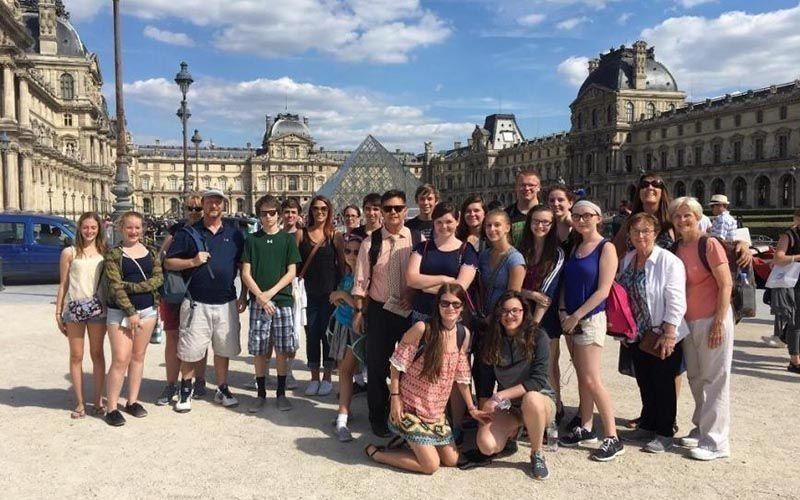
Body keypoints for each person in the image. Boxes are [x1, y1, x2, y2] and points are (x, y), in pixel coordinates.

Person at [364, 284, 490, 474]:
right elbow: (397, 365)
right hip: (410, 407)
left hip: (435, 411)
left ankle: (409, 442)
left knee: (451, 459)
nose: (450, 309)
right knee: (430, 465)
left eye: (456, 304)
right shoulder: (423, 329)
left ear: (463, 307)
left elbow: (462, 376)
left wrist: (472, 408)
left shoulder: (463, 334)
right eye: (445, 303)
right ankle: (378, 454)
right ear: (438, 305)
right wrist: (395, 398)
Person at [165, 188, 247, 413]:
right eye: (209, 202)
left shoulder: (235, 234)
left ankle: (222, 387)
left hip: (227, 300)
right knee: (190, 350)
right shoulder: (189, 232)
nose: (214, 206)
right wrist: (192, 261)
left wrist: (243, 296)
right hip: (196, 301)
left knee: (223, 348)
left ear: (224, 205)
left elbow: (243, 267)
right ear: (203, 204)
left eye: (218, 202)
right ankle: (185, 389)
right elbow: (169, 263)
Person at [557, 200, 623, 461]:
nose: (581, 220)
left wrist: (576, 315)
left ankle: (612, 436)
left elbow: (603, 291)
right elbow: (566, 284)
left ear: (598, 218)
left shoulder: (606, 248)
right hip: (571, 319)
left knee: (592, 379)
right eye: (577, 216)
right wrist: (563, 310)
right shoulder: (575, 247)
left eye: (587, 215)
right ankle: (585, 426)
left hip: (590, 319)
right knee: (584, 377)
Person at [618, 213, 688, 453]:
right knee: (644, 381)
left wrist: (669, 332)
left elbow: (676, 299)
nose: (640, 236)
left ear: (656, 233)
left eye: (646, 231)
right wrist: (623, 331)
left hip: (662, 332)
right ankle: (647, 425)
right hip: (637, 333)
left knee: (663, 384)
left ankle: (665, 432)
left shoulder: (668, 261)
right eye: (635, 231)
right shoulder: (627, 259)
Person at [670, 196, 734, 461]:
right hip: (690, 322)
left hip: (712, 319)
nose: (682, 220)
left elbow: (726, 284)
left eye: (688, 215)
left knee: (715, 379)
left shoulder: (709, 244)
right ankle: (701, 428)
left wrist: (719, 321)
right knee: (696, 377)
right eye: (677, 216)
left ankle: (717, 442)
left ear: (698, 218)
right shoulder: (677, 248)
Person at [352, 189, 417, 437]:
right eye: (387, 208)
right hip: (380, 310)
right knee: (378, 366)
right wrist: (359, 311)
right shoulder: (371, 242)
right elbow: (361, 279)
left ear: (404, 209)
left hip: (408, 309)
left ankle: (408, 412)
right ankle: (377, 417)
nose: (392, 213)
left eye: (397, 208)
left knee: (411, 366)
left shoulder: (416, 238)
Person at [475, 291, 557, 480]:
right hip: (511, 407)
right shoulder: (491, 340)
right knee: (486, 445)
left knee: (532, 399)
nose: (510, 315)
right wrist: (483, 416)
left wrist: (498, 397)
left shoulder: (538, 336)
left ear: (523, 312)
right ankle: (512, 434)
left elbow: (536, 381)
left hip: (540, 402)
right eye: (504, 311)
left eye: (515, 310)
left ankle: (537, 453)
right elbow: (486, 385)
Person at [103, 211, 164, 426]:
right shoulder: (114, 254)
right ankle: (111, 408)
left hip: (148, 310)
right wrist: (131, 312)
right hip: (121, 313)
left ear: (143, 229)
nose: (133, 231)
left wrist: (134, 287)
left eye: (137, 227)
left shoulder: (151, 250)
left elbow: (158, 278)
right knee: (120, 359)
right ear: (121, 228)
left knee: (138, 356)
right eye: (129, 227)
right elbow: (115, 286)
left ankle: (132, 401)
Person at [242, 195, 301, 412]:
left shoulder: (287, 239)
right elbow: (245, 273)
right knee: (259, 349)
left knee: (282, 349)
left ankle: (281, 393)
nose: (268, 217)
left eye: (272, 213)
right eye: (263, 213)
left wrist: (270, 294)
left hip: (282, 301)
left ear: (278, 214)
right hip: (260, 302)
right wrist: (259, 296)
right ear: (259, 215)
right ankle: (260, 394)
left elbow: (292, 272)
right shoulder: (252, 240)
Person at [55, 212, 108, 419]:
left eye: (93, 227)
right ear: (80, 228)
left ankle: (97, 400)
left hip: (98, 308)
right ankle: (79, 403)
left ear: (99, 229)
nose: (89, 231)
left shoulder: (104, 251)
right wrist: (58, 312)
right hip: (74, 309)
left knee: (97, 354)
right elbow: (63, 284)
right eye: (85, 227)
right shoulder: (69, 252)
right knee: (76, 356)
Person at [155, 193, 207, 406]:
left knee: (200, 339)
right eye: (190, 208)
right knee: (173, 338)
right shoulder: (176, 231)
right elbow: (162, 260)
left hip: (197, 292)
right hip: (175, 291)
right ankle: (171, 384)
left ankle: (200, 380)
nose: (193, 212)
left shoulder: (207, 231)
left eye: (197, 209)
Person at [517, 205, 565, 422]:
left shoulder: (557, 253)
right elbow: (513, 286)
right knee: (524, 362)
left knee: (548, 363)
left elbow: (548, 293)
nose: (541, 225)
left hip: (544, 319)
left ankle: (555, 408)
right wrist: (529, 294)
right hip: (519, 315)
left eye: (546, 222)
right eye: (536, 221)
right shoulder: (521, 249)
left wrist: (533, 325)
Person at [296, 195, 344, 397]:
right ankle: (314, 377)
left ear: (329, 211)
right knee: (312, 335)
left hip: (329, 294)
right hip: (308, 294)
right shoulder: (301, 234)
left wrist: (340, 292)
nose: (320, 212)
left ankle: (327, 377)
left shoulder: (335, 236)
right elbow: (296, 266)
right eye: (316, 208)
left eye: (324, 209)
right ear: (311, 211)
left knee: (328, 336)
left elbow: (341, 266)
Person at [406, 202, 479, 323]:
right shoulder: (423, 248)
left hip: (452, 319)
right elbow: (411, 279)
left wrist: (424, 287)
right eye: (439, 222)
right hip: (422, 317)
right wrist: (444, 280)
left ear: (457, 220)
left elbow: (459, 288)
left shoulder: (467, 250)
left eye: (449, 222)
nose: (444, 226)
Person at [329, 235, 366, 441]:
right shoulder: (348, 273)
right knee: (344, 372)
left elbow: (364, 305)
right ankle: (344, 411)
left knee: (345, 371)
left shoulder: (363, 275)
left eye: (356, 251)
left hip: (356, 330)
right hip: (343, 326)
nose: (351, 255)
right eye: (348, 251)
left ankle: (342, 416)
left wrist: (342, 296)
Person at [766, 209, 800, 371]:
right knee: (796, 320)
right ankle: (795, 360)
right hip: (793, 282)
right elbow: (778, 258)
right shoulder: (789, 236)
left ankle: (785, 336)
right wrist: (798, 257)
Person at [506, 170, 541, 245]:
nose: (527, 188)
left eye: (531, 185)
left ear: (538, 187)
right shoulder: (506, 214)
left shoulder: (548, 213)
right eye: (522, 185)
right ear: (516, 187)